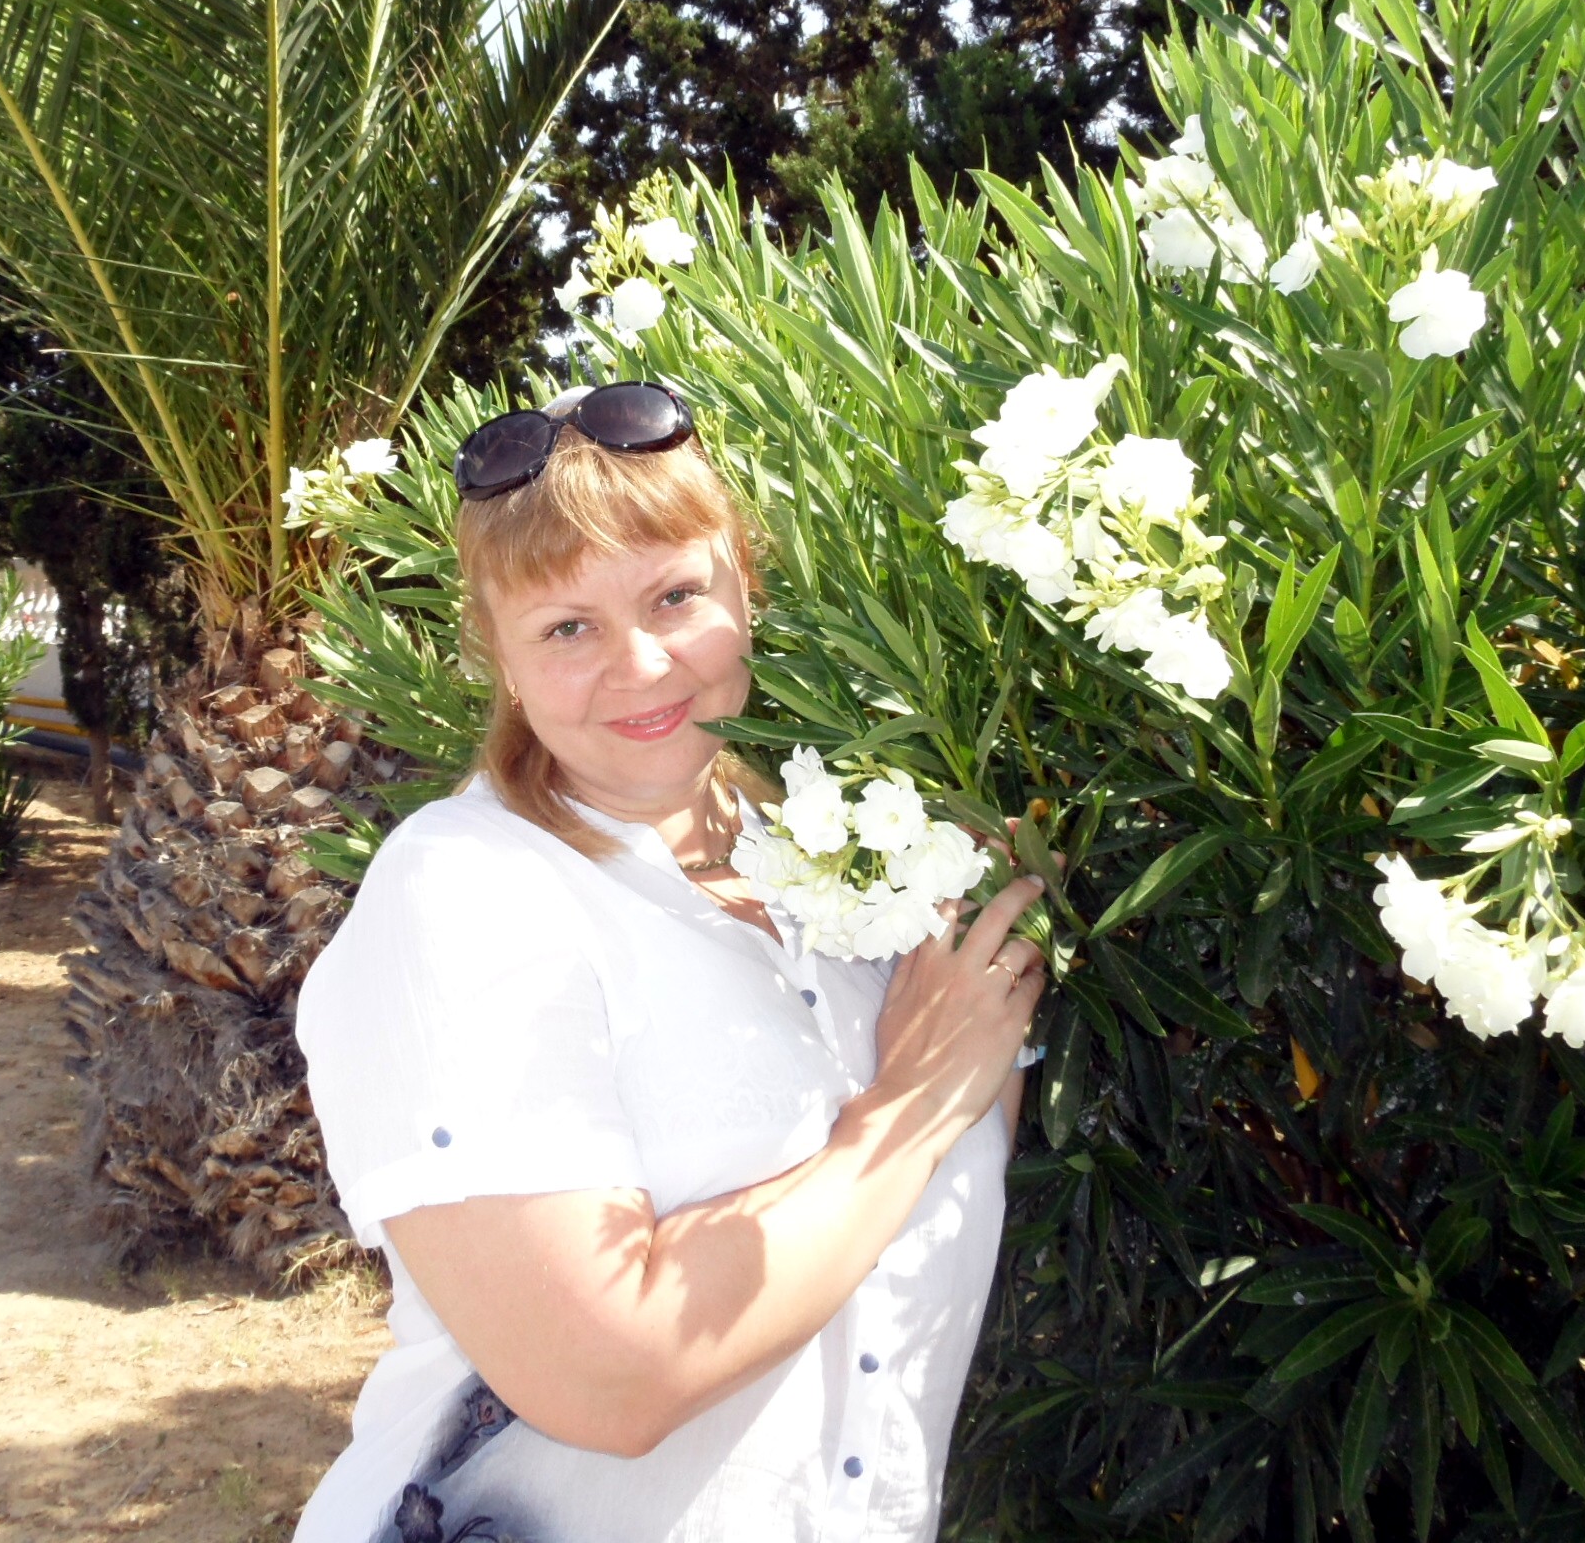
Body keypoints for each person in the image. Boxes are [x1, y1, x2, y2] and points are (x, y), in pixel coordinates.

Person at [293, 381, 1046, 1543]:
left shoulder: (853, 858)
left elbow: (939, 1206)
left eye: (674, 596)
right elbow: (608, 1377)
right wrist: (906, 1107)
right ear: (496, 653)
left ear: (746, 582)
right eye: (567, 627)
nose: (640, 663)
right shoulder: (464, 892)